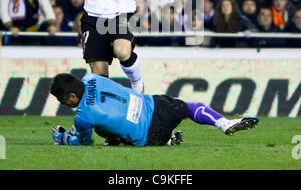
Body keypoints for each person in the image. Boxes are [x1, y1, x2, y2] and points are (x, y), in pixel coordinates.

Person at [50, 72, 259, 146]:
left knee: (100, 129)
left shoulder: (82, 117)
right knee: (186, 107)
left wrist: (65, 138)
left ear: (72, 96)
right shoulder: (92, 77)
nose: (63, 103)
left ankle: (166, 139)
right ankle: (224, 123)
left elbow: (84, 142)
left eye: (62, 100)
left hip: (150, 136)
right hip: (154, 105)